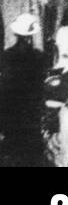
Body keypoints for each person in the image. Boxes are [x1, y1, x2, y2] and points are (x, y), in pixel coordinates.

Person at [0, 13, 45, 165]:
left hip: (11, 115)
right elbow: (40, 88)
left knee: (13, 155)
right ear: (30, 36)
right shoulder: (38, 57)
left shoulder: (6, 56)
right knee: (30, 157)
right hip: (31, 116)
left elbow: (4, 87)